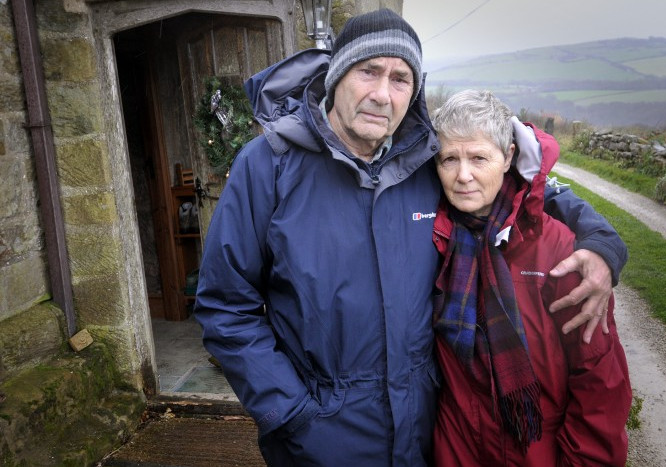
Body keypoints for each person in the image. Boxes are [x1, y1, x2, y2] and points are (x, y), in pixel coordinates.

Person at [194, 9, 627, 466]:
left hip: (422, 432)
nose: (382, 94)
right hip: (318, 437)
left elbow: (522, 190)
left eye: (401, 79)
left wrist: (602, 244)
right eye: (369, 72)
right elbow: (226, 305)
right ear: (337, 75)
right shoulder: (268, 166)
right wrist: (291, 413)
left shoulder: (423, 161)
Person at [431, 90, 632, 466]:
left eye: (479, 158)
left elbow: (599, 386)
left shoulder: (558, 252)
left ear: (508, 157)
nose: (463, 175)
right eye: (449, 159)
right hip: (456, 450)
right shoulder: (435, 239)